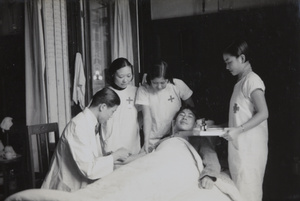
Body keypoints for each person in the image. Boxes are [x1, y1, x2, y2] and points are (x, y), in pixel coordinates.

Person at [42, 87, 132, 192]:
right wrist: (114, 156)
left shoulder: (90, 123)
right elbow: (89, 170)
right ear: (102, 107)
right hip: (67, 189)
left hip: (81, 183)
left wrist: (109, 156)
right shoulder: (78, 126)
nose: (111, 116)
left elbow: (90, 157)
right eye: (112, 111)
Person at [221, 39, 269, 201]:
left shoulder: (252, 80)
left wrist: (238, 130)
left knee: (250, 194)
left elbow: (263, 113)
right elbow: (239, 117)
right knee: (241, 194)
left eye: (229, 62)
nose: (227, 67)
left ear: (242, 58)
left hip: (251, 150)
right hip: (240, 149)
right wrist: (220, 127)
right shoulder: (240, 83)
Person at [136, 60, 194, 152]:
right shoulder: (143, 90)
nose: (159, 86)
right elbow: (147, 117)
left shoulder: (177, 85)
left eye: (163, 83)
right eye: (155, 83)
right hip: (153, 139)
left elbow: (191, 108)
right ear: (149, 79)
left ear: (168, 79)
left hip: (176, 137)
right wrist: (146, 142)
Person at [102, 58, 141, 155]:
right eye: (121, 76)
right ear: (113, 74)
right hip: (112, 140)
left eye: (129, 76)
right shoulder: (105, 93)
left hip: (131, 140)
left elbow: (143, 114)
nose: (125, 80)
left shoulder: (137, 91)